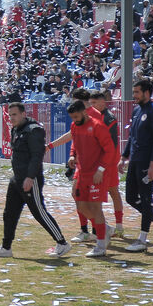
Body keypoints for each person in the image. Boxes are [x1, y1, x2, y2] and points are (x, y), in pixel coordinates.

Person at [0, 102, 70, 258]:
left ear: (23, 114)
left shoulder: (34, 130)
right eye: (10, 115)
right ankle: (6, 247)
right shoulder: (16, 129)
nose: (12, 118)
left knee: (39, 212)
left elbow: (37, 156)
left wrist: (30, 177)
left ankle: (62, 243)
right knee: (9, 214)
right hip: (16, 179)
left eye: (15, 114)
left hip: (30, 179)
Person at [47, 88, 104, 242]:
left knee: (91, 201)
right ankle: (88, 230)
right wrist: (72, 154)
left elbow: (104, 145)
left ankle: (97, 231)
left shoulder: (93, 116)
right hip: (81, 164)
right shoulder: (81, 116)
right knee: (78, 196)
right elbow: (75, 137)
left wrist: (101, 167)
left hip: (92, 166)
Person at [119, 79, 153, 252]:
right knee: (130, 197)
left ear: (146, 93)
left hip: (147, 162)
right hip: (134, 161)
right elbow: (132, 137)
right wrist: (123, 157)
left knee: (146, 199)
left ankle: (142, 239)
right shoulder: (137, 110)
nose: (134, 95)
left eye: (137, 92)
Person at [67, 100, 116, 257]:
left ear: (84, 112)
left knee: (96, 208)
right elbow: (75, 143)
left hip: (97, 174)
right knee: (81, 206)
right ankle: (105, 229)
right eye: (72, 117)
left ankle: (101, 245)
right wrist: (72, 156)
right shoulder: (75, 126)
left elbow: (110, 150)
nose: (74, 120)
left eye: (76, 116)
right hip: (82, 172)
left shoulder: (97, 126)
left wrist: (101, 169)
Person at [89, 90, 125, 237]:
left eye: (94, 103)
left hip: (108, 161)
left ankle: (118, 226)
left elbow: (111, 145)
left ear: (102, 102)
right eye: (90, 103)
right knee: (96, 194)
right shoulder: (92, 116)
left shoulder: (109, 118)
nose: (91, 106)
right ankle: (100, 227)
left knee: (113, 191)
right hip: (99, 161)